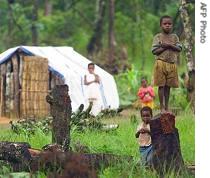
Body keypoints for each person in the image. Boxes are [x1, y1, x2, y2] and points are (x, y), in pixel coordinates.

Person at [151, 15, 182, 112]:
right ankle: (161, 107)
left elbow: (179, 48)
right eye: (165, 24)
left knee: (168, 86)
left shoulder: (175, 37)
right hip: (161, 63)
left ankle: (167, 107)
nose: (167, 25)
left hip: (172, 64)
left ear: (172, 25)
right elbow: (154, 51)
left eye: (169, 24)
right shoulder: (158, 37)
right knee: (161, 85)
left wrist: (167, 45)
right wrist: (165, 47)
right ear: (161, 25)